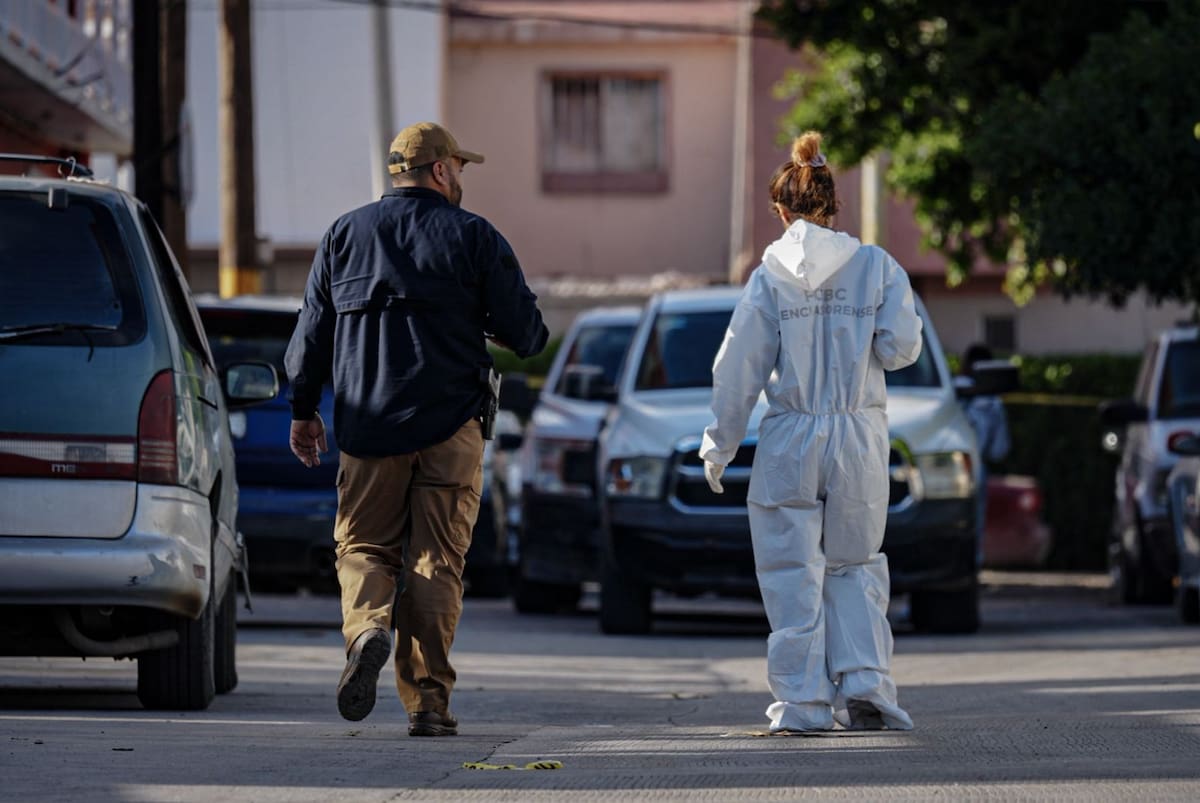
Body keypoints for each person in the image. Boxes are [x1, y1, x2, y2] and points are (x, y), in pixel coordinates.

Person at [285, 121, 548, 736]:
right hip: (451, 426)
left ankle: (368, 628)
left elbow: (311, 334)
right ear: (438, 170)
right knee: (436, 561)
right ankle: (428, 703)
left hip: (368, 428)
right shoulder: (474, 237)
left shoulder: (343, 235)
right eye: (458, 167)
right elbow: (529, 335)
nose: (460, 179)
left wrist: (303, 410)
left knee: (364, 548)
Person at [700, 131, 920, 733]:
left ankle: (803, 704)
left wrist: (719, 444)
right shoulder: (876, 266)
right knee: (855, 563)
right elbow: (902, 349)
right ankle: (868, 684)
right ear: (832, 201)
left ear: (781, 211)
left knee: (791, 569)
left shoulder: (770, 275)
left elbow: (738, 366)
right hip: (857, 435)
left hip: (791, 436)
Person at [960, 343, 1011, 566]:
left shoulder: (945, 394)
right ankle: (971, 567)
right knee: (974, 523)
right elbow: (999, 449)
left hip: (938, 467)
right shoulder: (992, 402)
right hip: (976, 468)